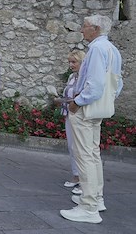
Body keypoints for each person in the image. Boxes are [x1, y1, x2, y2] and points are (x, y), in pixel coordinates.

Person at [60, 15, 123, 224]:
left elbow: (94, 85)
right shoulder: (112, 50)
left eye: (85, 26)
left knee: (84, 156)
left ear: (95, 29)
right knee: (93, 155)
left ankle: (88, 207)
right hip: (99, 109)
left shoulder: (96, 49)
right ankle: (96, 198)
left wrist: (77, 102)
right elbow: (117, 84)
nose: (81, 30)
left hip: (86, 110)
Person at [55, 50, 85, 192]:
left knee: (80, 147)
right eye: (69, 62)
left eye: (74, 62)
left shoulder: (84, 79)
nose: (71, 65)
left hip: (80, 116)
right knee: (72, 146)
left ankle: (84, 179)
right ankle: (76, 175)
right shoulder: (72, 77)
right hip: (69, 114)